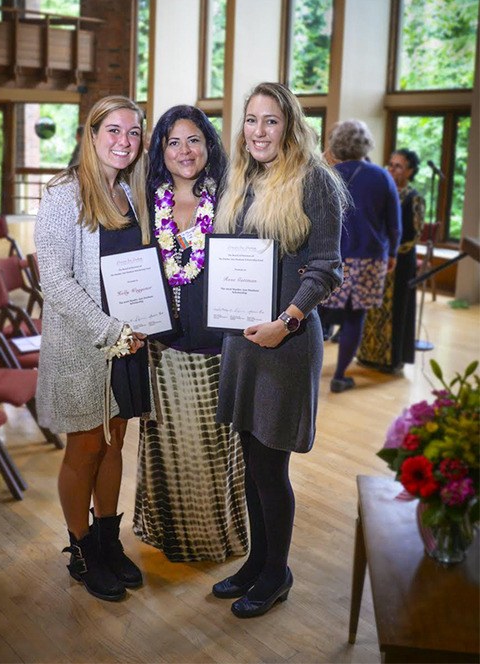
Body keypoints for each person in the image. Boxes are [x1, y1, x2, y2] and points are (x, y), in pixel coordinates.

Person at [212, 82, 346, 619]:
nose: (259, 131)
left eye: (270, 121)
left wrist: (285, 322)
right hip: (243, 342)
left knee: (272, 468)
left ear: (290, 125)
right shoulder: (241, 180)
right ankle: (256, 562)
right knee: (251, 463)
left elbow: (326, 268)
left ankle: (276, 574)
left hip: (284, 343)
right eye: (250, 120)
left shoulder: (317, 182)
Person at [35, 95, 152, 602]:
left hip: (128, 345)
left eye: (133, 133)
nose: (124, 141)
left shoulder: (130, 192)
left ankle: (108, 540)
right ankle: (81, 549)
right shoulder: (65, 193)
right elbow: (55, 281)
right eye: (114, 131)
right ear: (92, 133)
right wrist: (109, 331)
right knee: (84, 447)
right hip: (86, 346)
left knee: (115, 442)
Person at [133, 105, 248, 562]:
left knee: (214, 448)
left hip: (217, 346)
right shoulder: (146, 200)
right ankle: (173, 535)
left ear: (209, 145)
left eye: (194, 140)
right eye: (174, 141)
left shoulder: (230, 201)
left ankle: (216, 537)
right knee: (169, 446)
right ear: (161, 149)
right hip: (161, 346)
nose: (185, 151)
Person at [319, 119, 402, 393]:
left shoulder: (328, 175)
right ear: (366, 143)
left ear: (336, 145)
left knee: (320, 311)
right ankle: (340, 376)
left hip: (334, 255)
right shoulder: (381, 177)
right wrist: (392, 254)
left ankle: (310, 369)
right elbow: (394, 224)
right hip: (370, 257)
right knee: (356, 316)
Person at [357, 148, 426, 373]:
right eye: (391, 164)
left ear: (410, 171)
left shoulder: (414, 198)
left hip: (400, 263)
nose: (392, 169)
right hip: (375, 259)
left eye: (398, 166)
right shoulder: (383, 191)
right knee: (371, 310)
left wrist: (391, 252)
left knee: (396, 310)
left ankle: (391, 360)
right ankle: (368, 355)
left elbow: (414, 235)